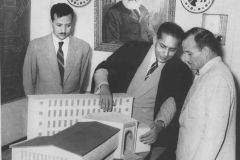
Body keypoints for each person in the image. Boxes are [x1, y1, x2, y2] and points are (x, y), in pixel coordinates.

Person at [92, 22, 193, 160]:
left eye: (172, 49)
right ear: (155, 39)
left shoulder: (180, 70)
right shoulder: (132, 49)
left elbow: (172, 103)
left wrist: (158, 125)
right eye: (162, 46)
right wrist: (103, 86)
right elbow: (104, 68)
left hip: (144, 130)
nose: (165, 53)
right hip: (114, 119)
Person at [176, 27, 237, 160]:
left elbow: (212, 137)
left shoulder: (217, 79)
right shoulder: (207, 73)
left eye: (189, 53)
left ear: (205, 52)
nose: (185, 58)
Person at [23, 3, 92, 95]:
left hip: (70, 102)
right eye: (59, 25)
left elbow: (82, 81)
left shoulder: (84, 47)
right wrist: (32, 103)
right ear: (51, 22)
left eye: (68, 25)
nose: (63, 30)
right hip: (43, 102)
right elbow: (28, 81)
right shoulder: (35, 46)